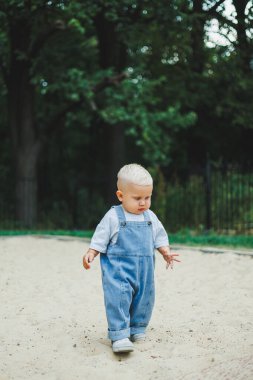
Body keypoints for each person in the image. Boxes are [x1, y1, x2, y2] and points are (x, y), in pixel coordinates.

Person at [83, 163, 180, 353]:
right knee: (119, 298)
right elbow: (100, 237)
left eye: (147, 197)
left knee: (145, 298)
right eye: (137, 198)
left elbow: (159, 236)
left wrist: (165, 251)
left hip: (144, 271)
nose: (143, 203)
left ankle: (137, 328)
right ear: (121, 196)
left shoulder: (149, 217)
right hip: (118, 271)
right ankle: (119, 334)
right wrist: (91, 252)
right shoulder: (113, 216)